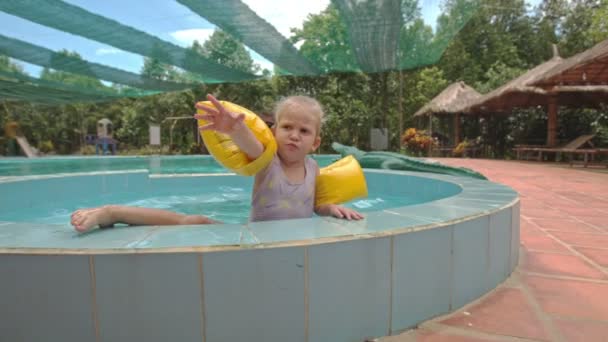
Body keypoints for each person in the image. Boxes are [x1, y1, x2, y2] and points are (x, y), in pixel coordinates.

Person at [71, 94, 363, 232]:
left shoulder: (312, 168)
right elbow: (252, 144)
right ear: (274, 132)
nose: (294, 136)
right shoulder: (268, 161)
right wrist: (235, 129)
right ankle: (111, 212)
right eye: (287, 127)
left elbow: (310, 205)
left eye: (304, 131)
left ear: (315, 143)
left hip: (292, 244)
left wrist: (329, 208)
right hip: (254, 238)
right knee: (194, 221)